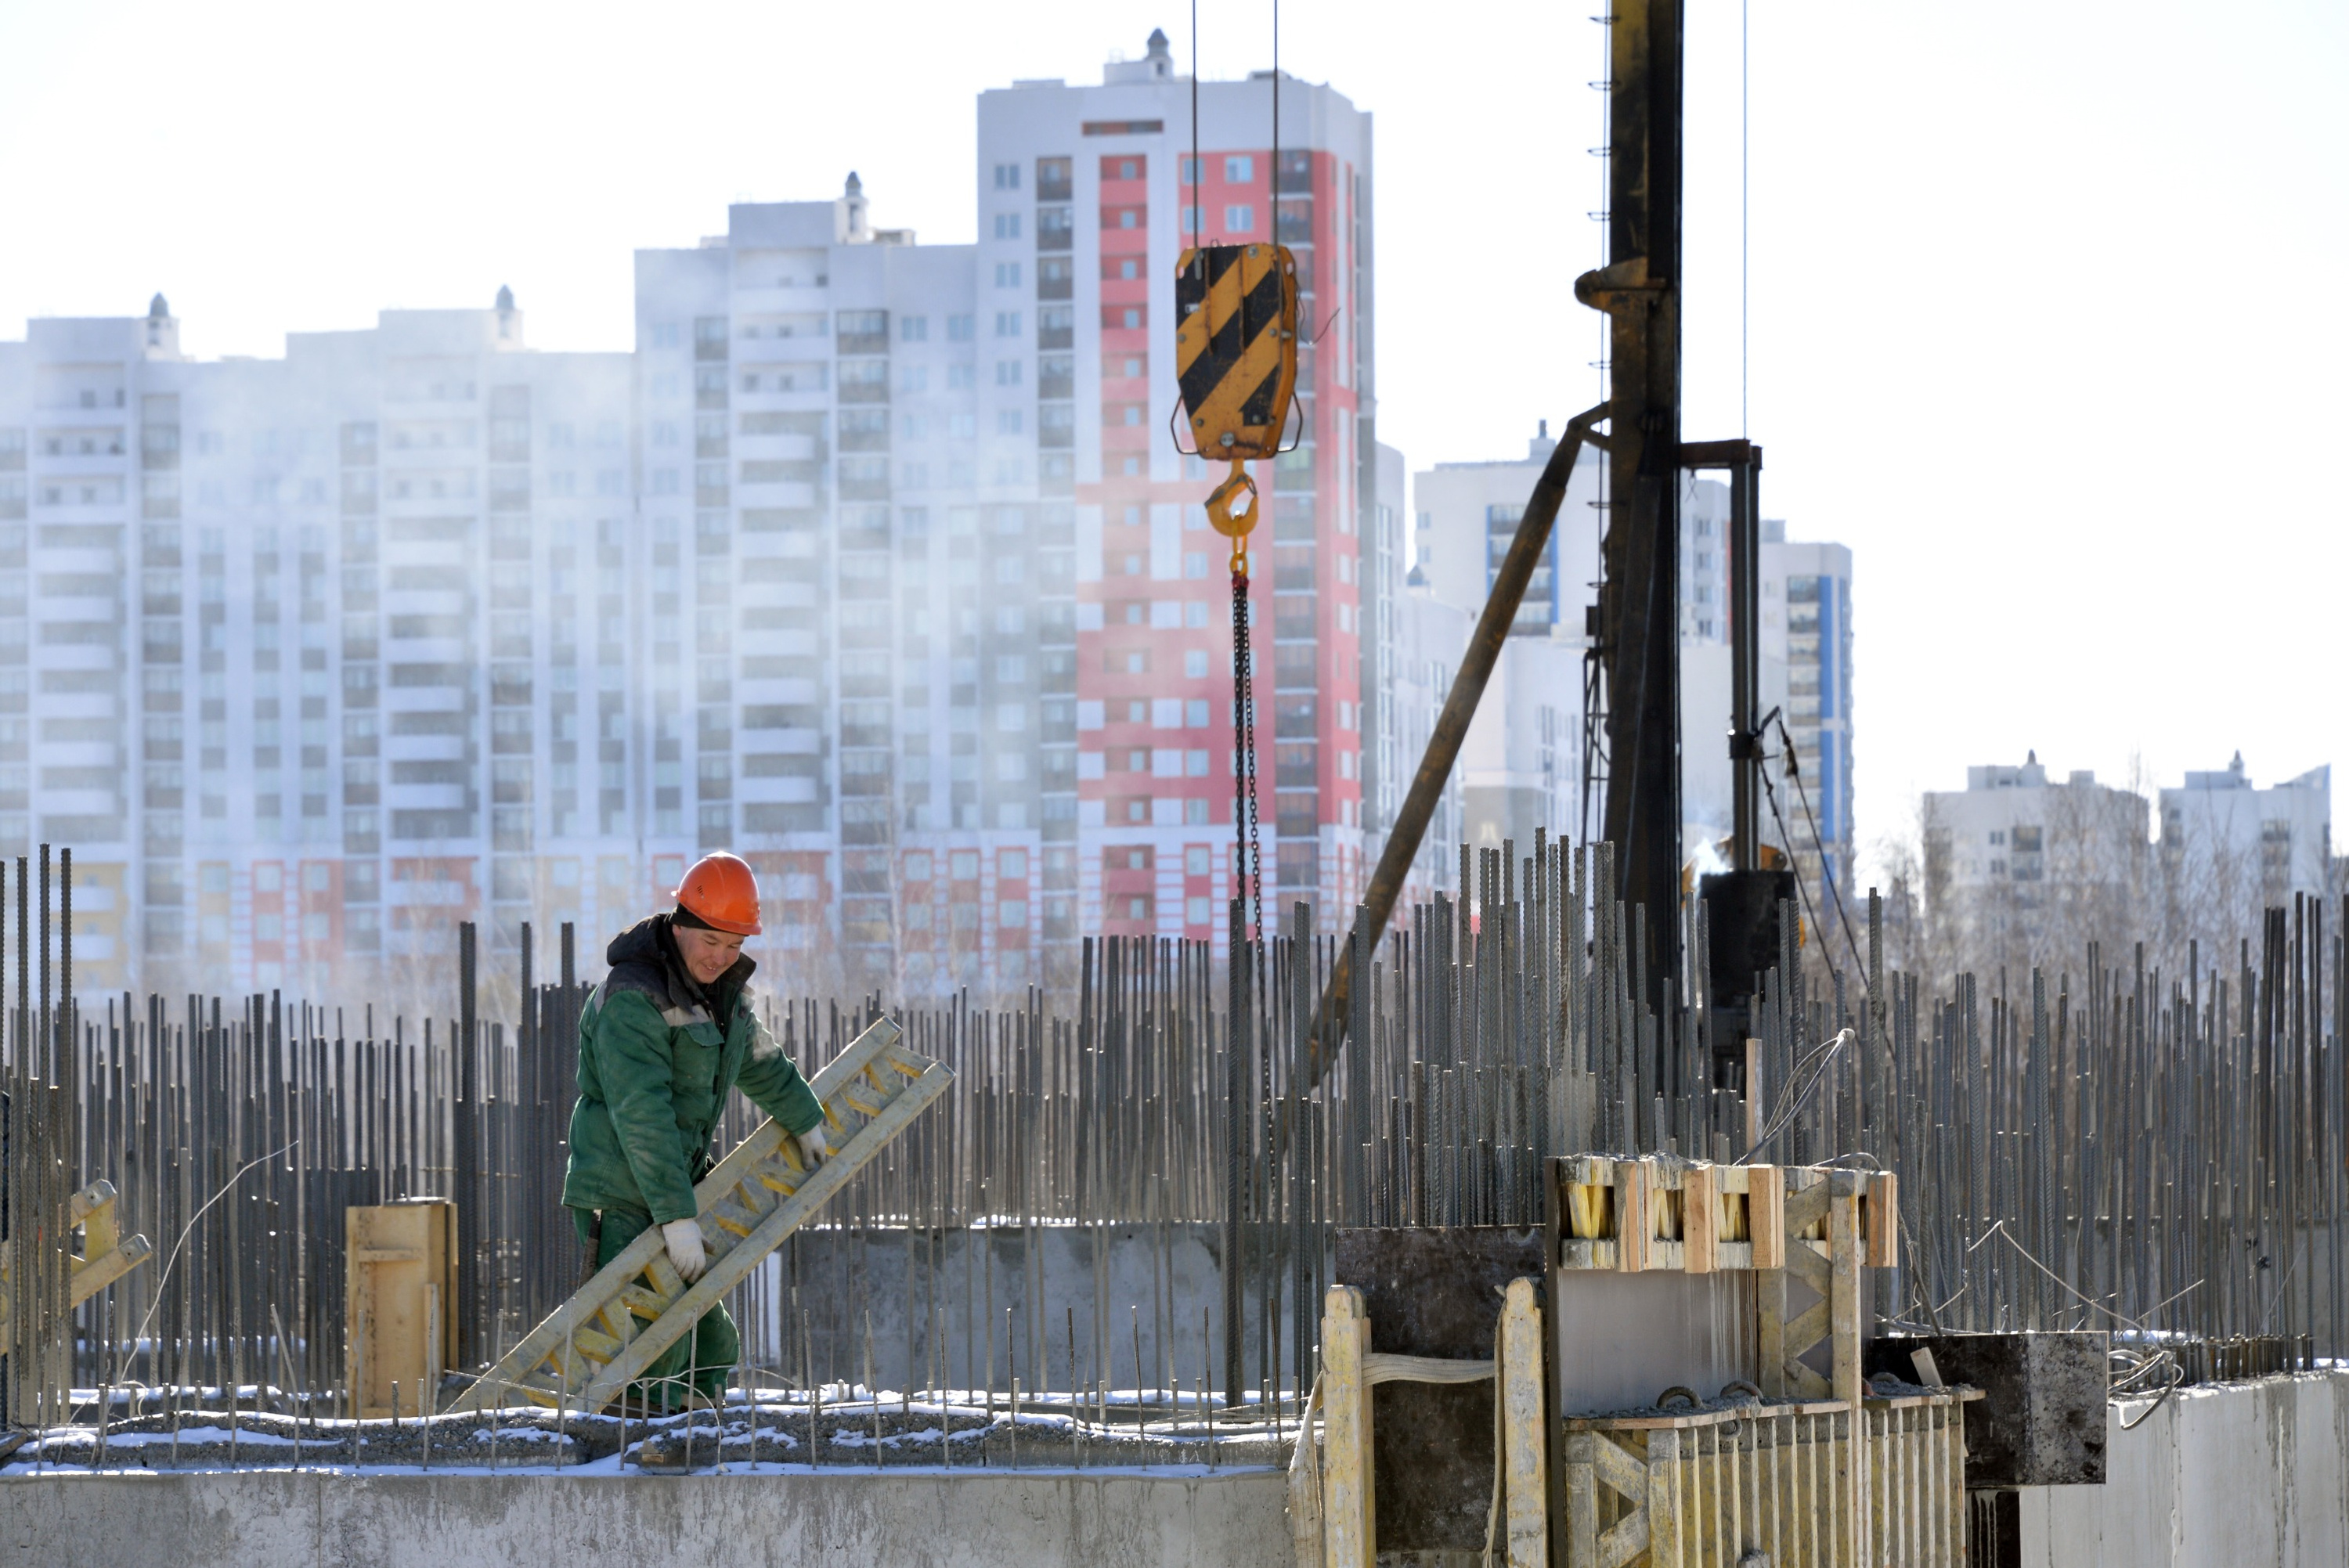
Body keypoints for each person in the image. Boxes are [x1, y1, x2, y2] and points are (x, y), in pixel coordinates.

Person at [561, 851, 829, 1411]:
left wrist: (806, 1117)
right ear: (679, 924)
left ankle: (694, 1444)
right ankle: (628, 1462)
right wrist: (675, 1214)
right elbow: (643, 1114)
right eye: (710, 941)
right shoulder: (634, 997)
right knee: (649, 1347)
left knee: (710, 1342)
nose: (721, 956)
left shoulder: (719, 995)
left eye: (734, 945)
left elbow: (757, 1057)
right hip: (624, 1192)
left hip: (674, 1189)